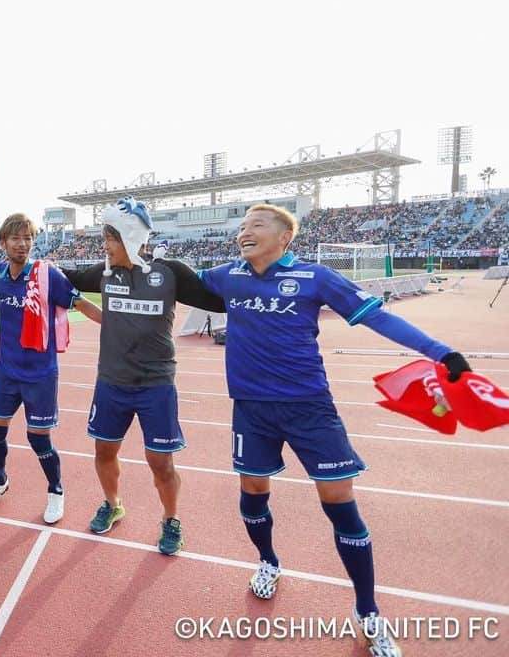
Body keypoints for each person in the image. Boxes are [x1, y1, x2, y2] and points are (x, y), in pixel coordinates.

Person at [198, 204, 473, 657]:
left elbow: (377, 317)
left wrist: (441, 353)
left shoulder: (316, 277)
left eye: (256, 226)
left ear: (284, 237)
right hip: (250, 409)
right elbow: (169, 276)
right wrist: (135, 240)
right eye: (242, 227)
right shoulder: (226, 275)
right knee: (251, 491)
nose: (245, 233)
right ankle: (267, 562)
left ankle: (367, 611)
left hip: (310, 409)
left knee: (340, 505)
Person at [62, 197, 226, 554]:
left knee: (160, 462)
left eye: (110, 238)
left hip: (155, 386)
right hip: (111, 383)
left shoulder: (170, 273)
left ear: (130, 237)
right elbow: (65, 277)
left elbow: (219, 301)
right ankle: (113, 503)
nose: (104, 246)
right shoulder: (105, 274)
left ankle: (171, 519)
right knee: (104, 450)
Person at [0, 213, 102, 524]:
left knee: (38, 439)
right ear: (3, 242)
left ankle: (56, 490)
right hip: (6, 371)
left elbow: (82, 304)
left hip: (41, 373)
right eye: (16, 238)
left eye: (28, 238)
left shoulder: (47, 276)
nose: (22, 244)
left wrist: (120, 325)